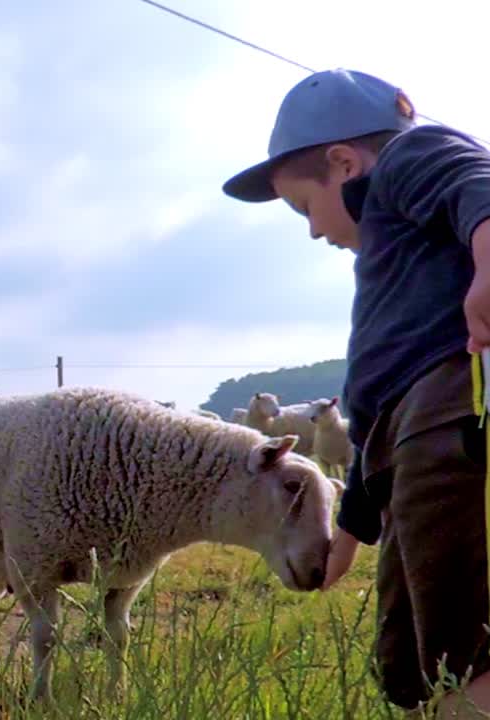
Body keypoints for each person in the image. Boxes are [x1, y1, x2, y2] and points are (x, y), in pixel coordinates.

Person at [221, 68, 490, 717]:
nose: (313, 231)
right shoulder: (393, 264)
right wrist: (347, 536)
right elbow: (368, 417)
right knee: (410, 665)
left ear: (343, 163)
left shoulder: (407, 157)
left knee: (465, 650)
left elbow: (477, 184)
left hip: (450, 411)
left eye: (304, 207)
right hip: (403, 446)